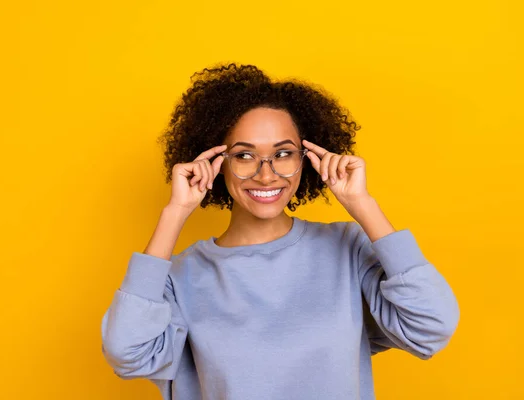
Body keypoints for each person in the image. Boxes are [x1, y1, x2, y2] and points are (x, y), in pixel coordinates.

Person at [100, 63, 460, 400]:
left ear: (307, 159)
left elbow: (432, 324)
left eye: (283, 153)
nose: (266, 173)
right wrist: (175, 212)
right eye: (244, 155)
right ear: (215, 163)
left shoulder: (347, 248)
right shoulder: (179, 277)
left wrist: (362, 203)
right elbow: (126, 352)